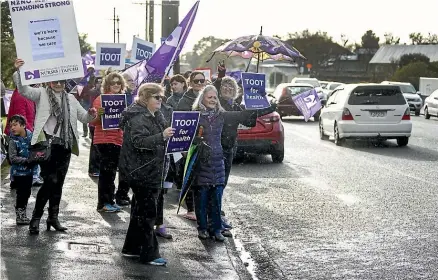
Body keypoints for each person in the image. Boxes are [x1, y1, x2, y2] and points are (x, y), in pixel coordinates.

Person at [13, 58, 97, 235]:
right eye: (55, 81)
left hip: (64, 146)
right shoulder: (41, 93)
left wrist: (92, 114)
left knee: (58, 184)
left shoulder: (72, 99)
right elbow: (23, 89)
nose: (58, 84)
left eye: (61, 81)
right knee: (50, 181)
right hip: (46, 145)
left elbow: (85, 118)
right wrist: (20, 71)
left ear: (65, 82)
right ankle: (36, 218)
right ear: (49, 81)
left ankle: (53, 217)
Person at [118, 83, 175, 266]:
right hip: (141, 170)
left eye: (161, 97)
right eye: (156, 97)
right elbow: (138, 142)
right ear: (145, 97)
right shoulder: (138, 117)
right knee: (148, 213)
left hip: (147, 169)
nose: (160, 100)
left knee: (139, 211)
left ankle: (132, 248)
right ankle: (149, 254)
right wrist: (162, 136)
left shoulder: (153, 115)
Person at [92, 71, 126, 212]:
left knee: (111, 173)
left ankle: (110, 201)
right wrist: (99, 115)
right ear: (107, 84)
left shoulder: (122, 100)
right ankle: (103, 203)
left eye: (119, 82)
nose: (116, 85)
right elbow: (93, 122)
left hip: (117, 140)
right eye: (113, 82)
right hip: (105, 140)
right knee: (106, 173)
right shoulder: (100, 99)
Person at [175, 71, 207, 221]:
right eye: (196, 81)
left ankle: (203, 206)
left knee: (204, 177)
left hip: (206, 143)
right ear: (190, 82)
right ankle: (191, 209)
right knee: (190, 177)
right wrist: (183, 146)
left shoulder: (209, 96)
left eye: (202, 81)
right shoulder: (184, 100)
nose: (199, 84)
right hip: (190, 143)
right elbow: (181, 124)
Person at [8, 115, 35, 225]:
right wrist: (27, 160)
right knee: (21, 194)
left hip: (29, 172)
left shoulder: (31, 137)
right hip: (18, 173)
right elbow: (12, 158)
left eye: (15, 125)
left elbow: (36, 150)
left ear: (23, 125)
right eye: (11, 126)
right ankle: (20, 215)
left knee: (27, 192)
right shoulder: (13, 141)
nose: (12, 128)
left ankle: (22, 212)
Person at [87, 77, 102, 177]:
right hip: (94, 122)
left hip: (102, 123)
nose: (100, 84)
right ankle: (93, 169)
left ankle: (97, 168)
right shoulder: (94, 92)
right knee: (95, 147)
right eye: (99, 82)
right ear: (95, 83)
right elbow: (92, 106)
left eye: (102, 82)